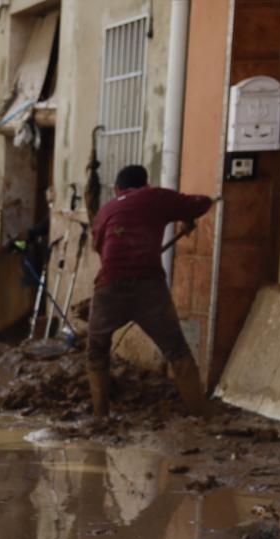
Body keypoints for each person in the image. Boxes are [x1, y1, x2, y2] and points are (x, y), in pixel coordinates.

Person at [86, 164, 213, 417]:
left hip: (110, 285)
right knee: (177, 350)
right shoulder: (155, 197)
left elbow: (100, 247)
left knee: (96, 350)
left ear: (117, 189)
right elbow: (201, 203)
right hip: (149, 285)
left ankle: (100, 417)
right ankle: (200, 416)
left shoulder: (106, 210)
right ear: (145, 184)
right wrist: (185, 217)